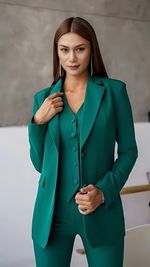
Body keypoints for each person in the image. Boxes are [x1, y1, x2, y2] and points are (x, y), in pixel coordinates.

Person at [28, 16, 138, 267]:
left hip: (102, 211)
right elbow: (39, 164)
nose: (72, 58)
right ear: (57, 53)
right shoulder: (43, 99)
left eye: (80, 49)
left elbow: (129, 151)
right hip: (51, 216)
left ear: (92, 49)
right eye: (64, 50)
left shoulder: (114, 92)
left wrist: (104, 191)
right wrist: (37, 122)